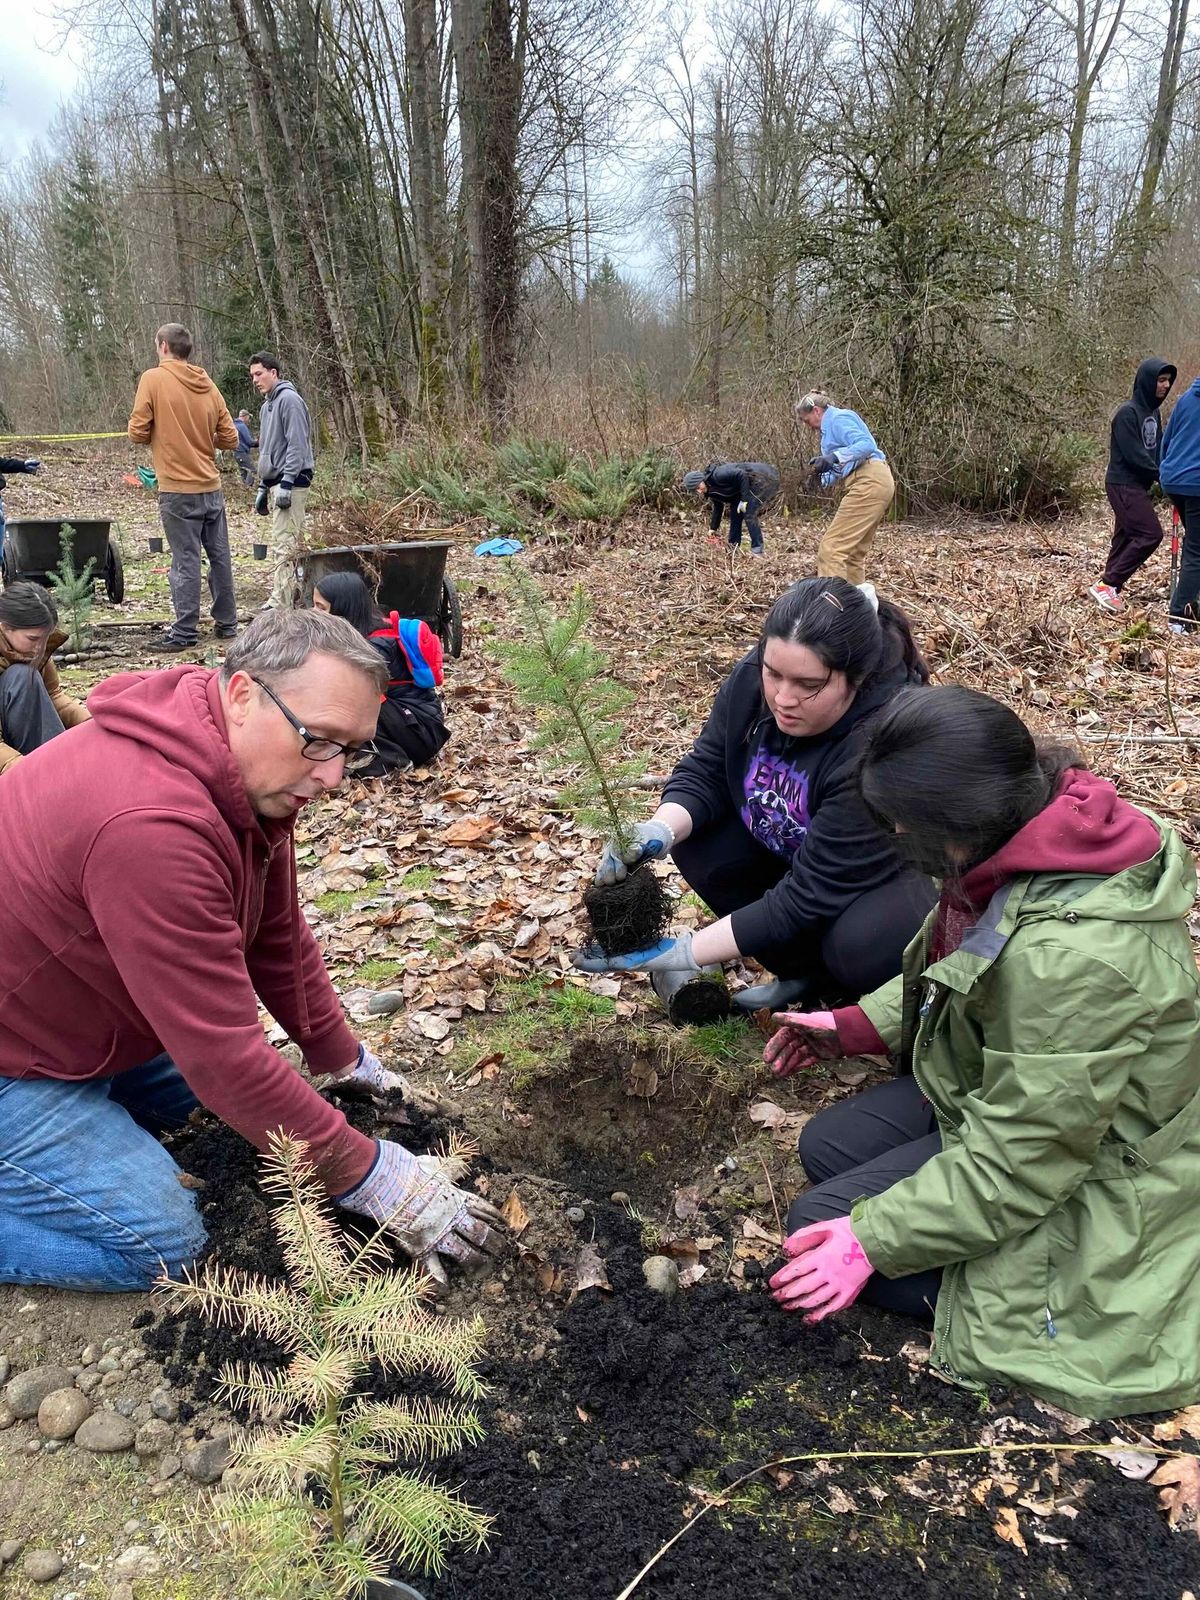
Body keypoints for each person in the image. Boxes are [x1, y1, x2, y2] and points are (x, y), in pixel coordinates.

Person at [0, 609, 503, 1293]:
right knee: (167, 1242)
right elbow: (222, 1055)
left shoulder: (239, 769)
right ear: (241, 695)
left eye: (351, 750)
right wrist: (373, 1177)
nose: (333, 779)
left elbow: (276, 931)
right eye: (320, 741)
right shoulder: (152, 823)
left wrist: (342, 1059)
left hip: (78, 1018)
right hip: (14, 1058)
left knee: (245, 1123)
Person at [766, 685, 1200, 1420]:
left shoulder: (1072, 958)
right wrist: (860, 1025)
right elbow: (964, 970)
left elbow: (1026, 1159)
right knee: (830, 1146)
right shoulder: (1030, 836)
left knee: (821, 1225)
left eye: (903, 823)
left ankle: (999, 1284)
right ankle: (943, 1206)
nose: (898, 832)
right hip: (1031, 1104)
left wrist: (872, 1241)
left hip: (1101, 1176)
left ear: (960, 822)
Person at [575, 578, 937, 1012]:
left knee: (859, 944)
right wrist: (661, 828)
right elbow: (708, 766)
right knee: (698, 840)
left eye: (809, 685)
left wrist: (684, 952)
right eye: (773, 673)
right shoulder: (756, 675)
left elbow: (809, 895)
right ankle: (803, 974)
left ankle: (854, 991)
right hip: (796, 846)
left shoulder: (882, 741)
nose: (783, 698)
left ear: (855, 678)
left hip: (882, 884)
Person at [127, 323, 240, 651]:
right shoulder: (207, 383)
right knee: (219, 558)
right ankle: (227, 624)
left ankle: (185, 633)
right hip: (212, 487)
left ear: (163, 346)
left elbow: (136, 432)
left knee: (186, 560)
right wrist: (204, 440)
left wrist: (162, 435)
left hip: (178, 490)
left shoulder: (153, 379)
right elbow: (230, 438)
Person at [313, 571, 450, 773]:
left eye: (320, 607)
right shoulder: (360, 633)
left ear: (341, 609)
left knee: (352, 701)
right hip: (407, 721)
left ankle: (391, 760)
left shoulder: (375, 646)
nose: (313, 612)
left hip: (420, 729)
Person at [1088, 357, 1176, 613]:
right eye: (1160, 380)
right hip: (1123, 483)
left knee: (1125, 537)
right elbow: (1135, 455)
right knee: (1150, 535)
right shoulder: (1127, 413)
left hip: (1138, 485)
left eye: (1168, 381)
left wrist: (1169, 468)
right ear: (1147, 381)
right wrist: (1162, 476)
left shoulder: (1152, 412)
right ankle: (1108, 583)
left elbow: (1156, 449)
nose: (1165, 385)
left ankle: (1108, 588)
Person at [795, 391, 894, 585]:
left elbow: (867, 444)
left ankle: (832, 611)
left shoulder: (838, 418)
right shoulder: (828, 432)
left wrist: (834, 457)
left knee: (832, 549)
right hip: (874, 480)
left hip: (869, 480)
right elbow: (841, 468)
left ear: (816, 411)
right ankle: (857, 610)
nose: (809, 427)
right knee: (852, 555)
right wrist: (819, 480)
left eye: (807, 421)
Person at [0, 583, 90, 772]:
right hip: (9, 762)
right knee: (21, 677)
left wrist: (89, 724)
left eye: (45, 639)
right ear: (5, 628)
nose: (40, 648)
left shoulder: (30, 652)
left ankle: (60, 766)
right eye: (33, 639)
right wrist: (21, 770)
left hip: (19, 749)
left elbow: (53, 696)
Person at [250, 351, 315, 609]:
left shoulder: (289, 400)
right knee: (282, 542)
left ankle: (283, 603)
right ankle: (287, 597)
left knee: (286, 544)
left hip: (293, 481)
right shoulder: (267, 406)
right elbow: (269, 449)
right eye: (252, 375)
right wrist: (263, 486)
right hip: (276, 481)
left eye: (259, 374)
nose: (255, 380)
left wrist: (287, 483)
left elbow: (297, 445)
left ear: (273, 373)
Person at [1157, 370, 1200, 633]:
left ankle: (1189, 604)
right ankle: (1179, 617)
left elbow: (1167, 442)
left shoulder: (1186, 398)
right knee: (1197, 548)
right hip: (1195, 482)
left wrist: (1167, 471)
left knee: (1195, 542)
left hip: (1174, 478)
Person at [681, 462, 779, 555]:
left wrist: (744, 500)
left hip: (764, 478)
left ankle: (757, 549)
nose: (699, 491)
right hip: (742, 490)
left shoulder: (718, 475)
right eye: (696, 490)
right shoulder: (710, 490)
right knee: (735, 514)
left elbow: (742, 474)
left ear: (701, 480)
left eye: (698, 487)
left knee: (749, 513)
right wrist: (713, 528)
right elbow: (718, 507)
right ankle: (733, 548)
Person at [234, 409, 258, 487]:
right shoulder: (242, 426)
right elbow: (249, 442)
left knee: (244, 472)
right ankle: (248, 488)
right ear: (245, 417)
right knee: (252, 470)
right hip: (242, 452)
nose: (248, 420)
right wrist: (258, 442)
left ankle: (245, 491)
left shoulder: (235, 425)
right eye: (248, 417)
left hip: (236, 454)